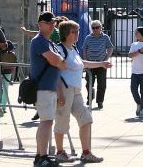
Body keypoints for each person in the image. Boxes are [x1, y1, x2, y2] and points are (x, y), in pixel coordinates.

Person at [53, 21, 105, 162]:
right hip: (65, 89)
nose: (77, 34)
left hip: (76, 90)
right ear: (66, 34)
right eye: (74, 32)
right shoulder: (59, 49)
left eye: (78, 31)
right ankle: (60, 152)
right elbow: (56, 72)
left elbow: (83, 63)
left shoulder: (73, 49)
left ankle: (86, 152)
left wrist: (102, 64)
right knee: (62, 121)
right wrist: (60, 93)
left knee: (86, 119)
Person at [29, 10, 68, 167]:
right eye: (49, 23)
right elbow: (55, 61)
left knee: (47, 122)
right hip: (43, 88)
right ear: (40, 25)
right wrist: (60, 60)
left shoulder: (49, 42)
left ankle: (40, 155)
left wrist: (59, 92)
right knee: (46, 122)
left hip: (50, 88)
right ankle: (42, 157)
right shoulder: (39, 41)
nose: (53, 26)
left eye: (53, 23)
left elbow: (59, 65)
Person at [81, 20, 113, 109]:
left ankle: (100, 101)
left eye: (97, 27)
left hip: (101, 63)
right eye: (93, 28)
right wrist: (86, 60)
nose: (95, 29)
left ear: (101, 28)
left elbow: (110, 48)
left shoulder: (105, 37)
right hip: (91, 63)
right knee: (88, 83)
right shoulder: (88, 37)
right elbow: (84, 49)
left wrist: (105, 60)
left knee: (102, 83)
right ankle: (90, 96)